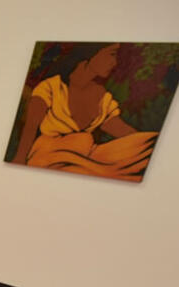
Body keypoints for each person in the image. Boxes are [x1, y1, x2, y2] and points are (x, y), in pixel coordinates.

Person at [10, 42, 157, 182]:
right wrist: (19, 160)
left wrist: (152, 145)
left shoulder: (102, 97)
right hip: (50, 158)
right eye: (111, 54)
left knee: (148, 144)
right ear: (91, 53)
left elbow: (128, 135)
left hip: (89, 158)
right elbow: (30, 127)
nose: (114, 62)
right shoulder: (51, 88)